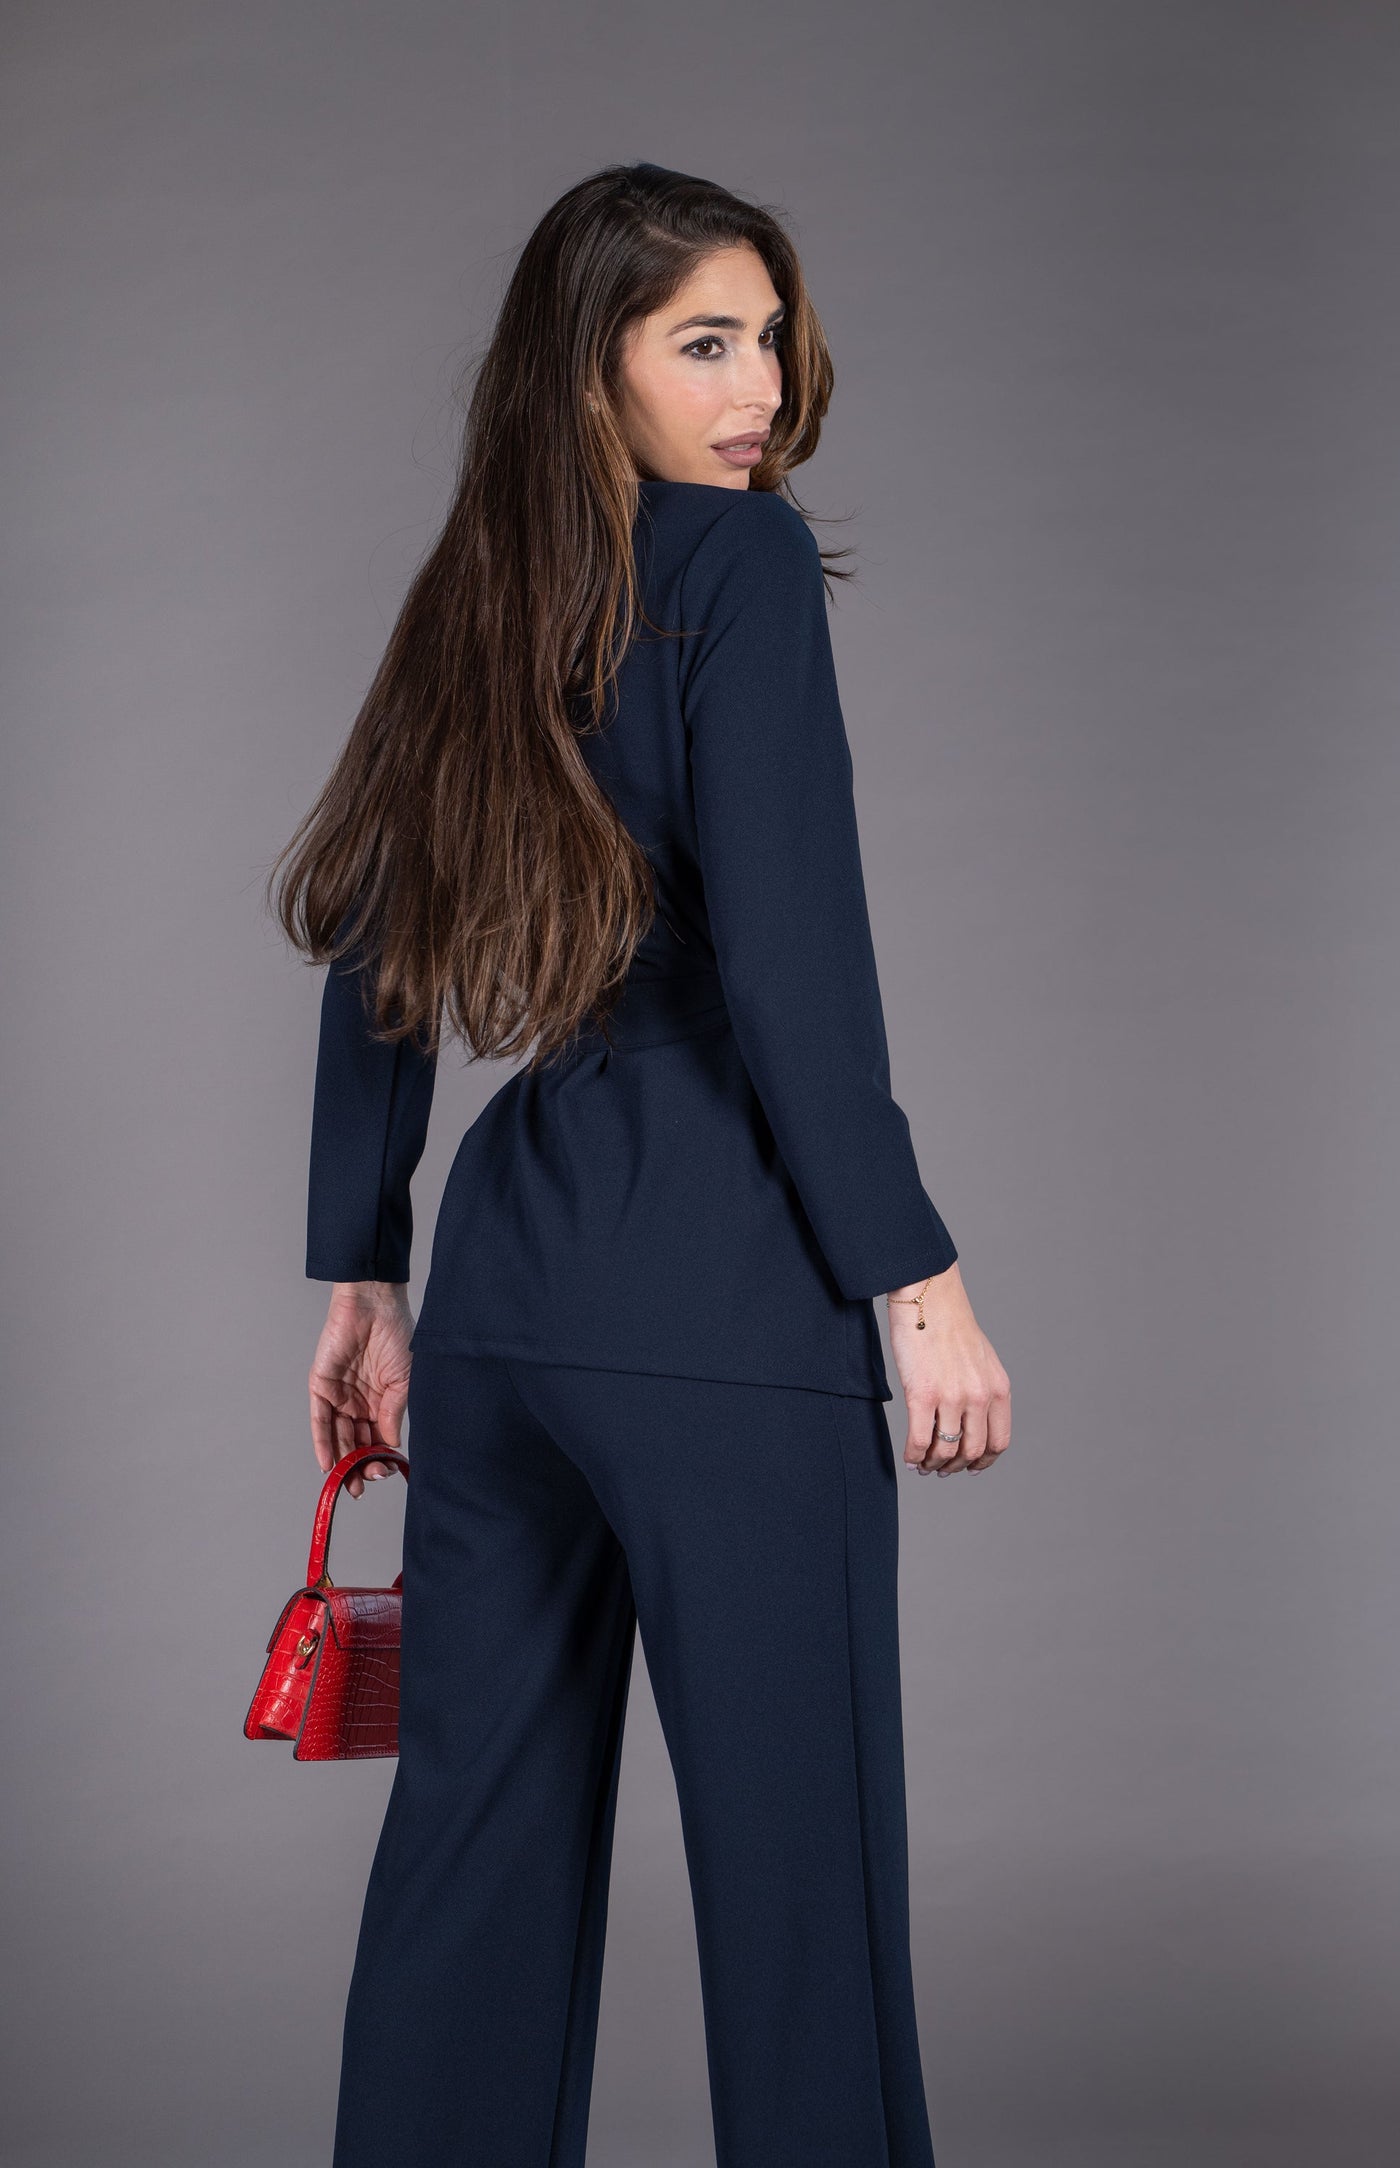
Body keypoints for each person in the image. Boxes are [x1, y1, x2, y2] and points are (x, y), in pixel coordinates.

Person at [268, 159, 1011, 2168]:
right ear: (587, 371)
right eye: (702, 342)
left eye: (767, 336)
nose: (755, 384)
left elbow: (374, 939)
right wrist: (913, 1275)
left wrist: (371, 1270)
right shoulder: (740, 572)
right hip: (725, 1295)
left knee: (468, 1866)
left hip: (506, 1307)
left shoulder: (473, 594)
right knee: (804, 1890)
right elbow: (792, 964)